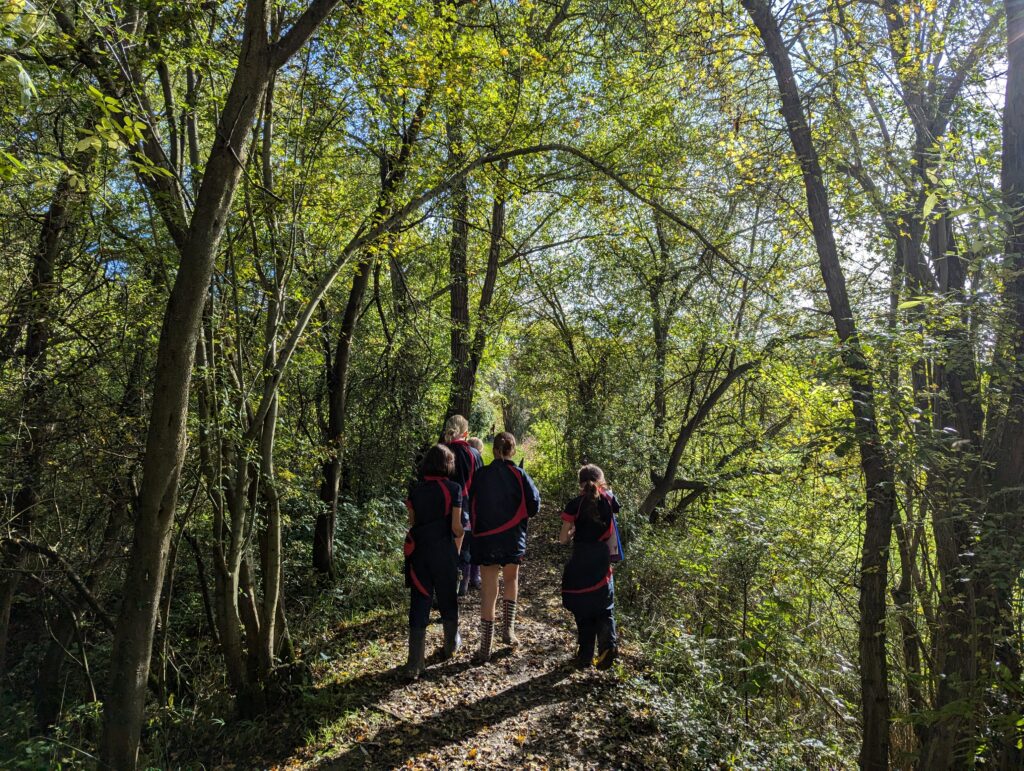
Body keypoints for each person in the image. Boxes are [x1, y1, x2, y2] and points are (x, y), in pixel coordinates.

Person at [468, 432, 541, 663]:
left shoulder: (480, 475)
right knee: (511, 580)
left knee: (489, 588)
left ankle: (485, 647)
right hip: (512, 537)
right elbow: (534, 506)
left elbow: (471, 503)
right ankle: (508, 631)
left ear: (493, 451)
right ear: (513, 450)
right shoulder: (520, 474)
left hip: (486, 538)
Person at [402, 444, 464, 679]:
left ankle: (414, 664)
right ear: (448, 465)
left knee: (419, 601)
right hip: (444, 552)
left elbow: (413, 521)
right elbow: (457, 527)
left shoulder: (416, 491)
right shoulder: (454, 489)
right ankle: (450, 647)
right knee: (448, 597)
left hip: (419, 553)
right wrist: (460, 537)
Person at [559, 464, 620, 670]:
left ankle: (585, 655)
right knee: (605, 606)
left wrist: (573, 531)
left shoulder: (574, 505)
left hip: (580, 558)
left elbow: (562, 540)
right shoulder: (610, 502)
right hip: (601, 558)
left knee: (582, 608)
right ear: (601, 481)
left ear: (580, 485)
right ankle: (608, 644)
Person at [442, 415, 483, 595]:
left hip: (441, 509)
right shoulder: (473, 454)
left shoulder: (441, 452)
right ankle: (462, 587)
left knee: (443, 551)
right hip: (467, 510)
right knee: (464, 549)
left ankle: (442, 589)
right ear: (466, 433)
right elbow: (480, 485)